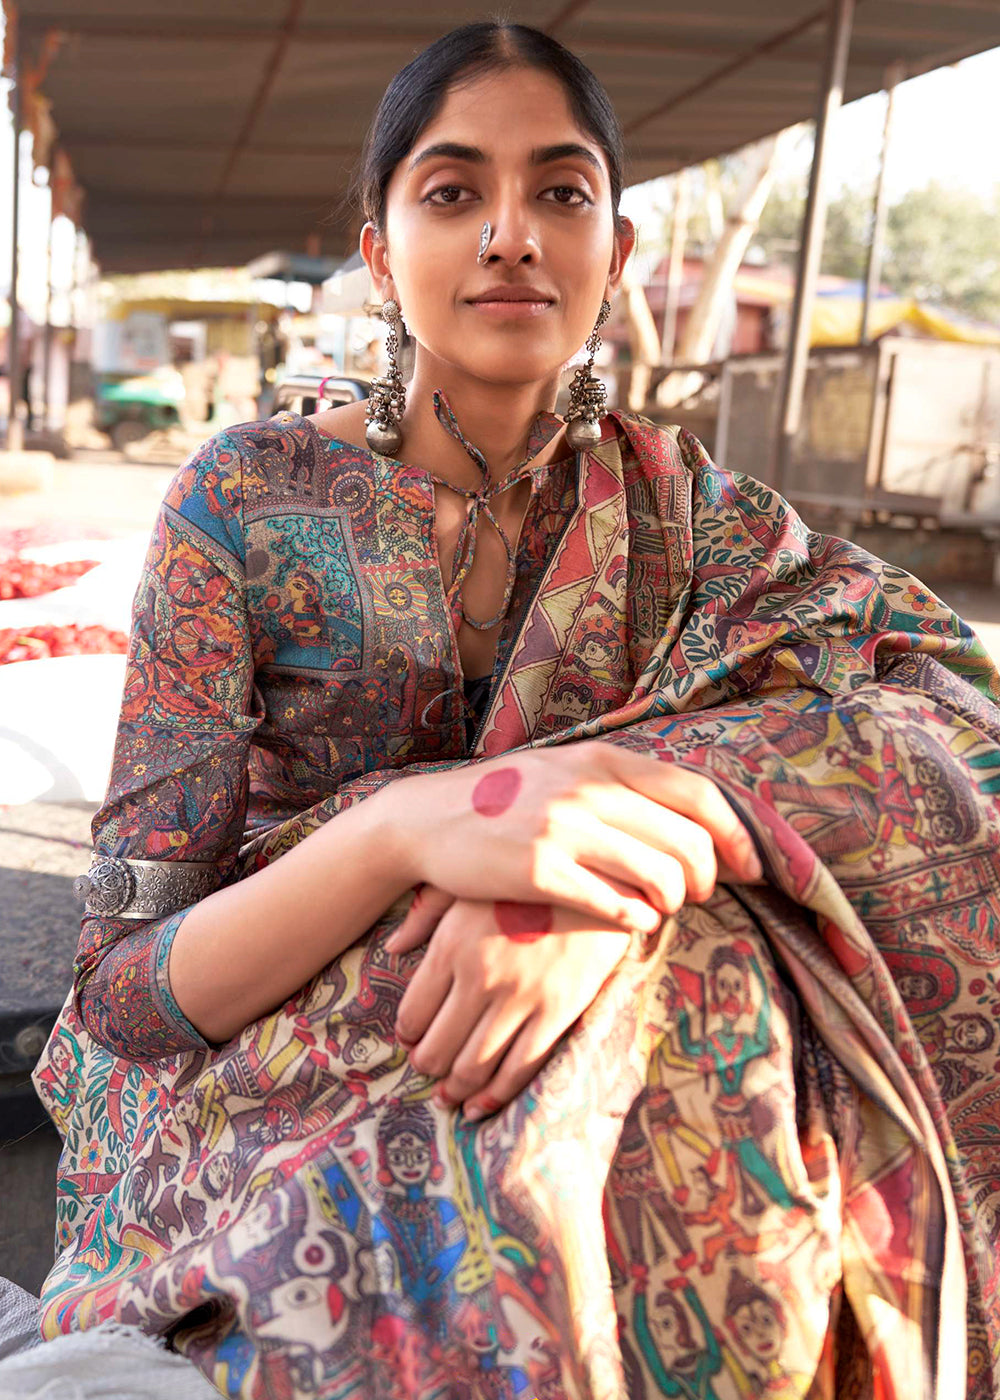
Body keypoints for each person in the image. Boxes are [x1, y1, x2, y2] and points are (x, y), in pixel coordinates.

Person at [23, 22, 1000, 1400]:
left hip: (591, 1037)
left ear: (617, 248)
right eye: (451, 191)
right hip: (261, 1068)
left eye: (559, 191)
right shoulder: (243, 505)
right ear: (377, 251)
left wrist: (616, 848)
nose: (510, 236)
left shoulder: (697, 521)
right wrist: (415, 831)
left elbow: (956, 711)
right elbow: (124, 997)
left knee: (709, 962)